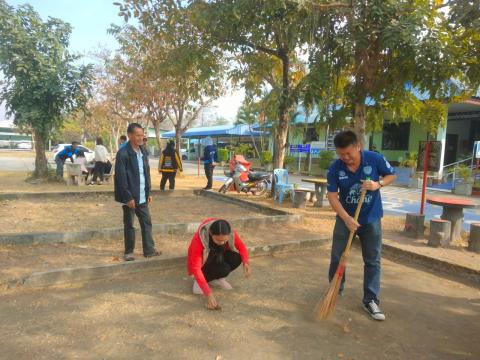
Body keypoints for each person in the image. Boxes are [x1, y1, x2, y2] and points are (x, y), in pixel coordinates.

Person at [326, 130, 396, 321]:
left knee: (372, 260)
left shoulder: (374, 159)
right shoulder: (335, 168)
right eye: (341, 154)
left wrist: (377, 184)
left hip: (371, 218)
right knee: (337, 257)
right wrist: (346, 218)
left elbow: (392, 175)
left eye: (349, 153)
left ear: (358, 146)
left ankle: (371, 300)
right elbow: (332, 196)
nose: (345, 158)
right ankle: (335, 289)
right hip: (345, 219)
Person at [114, 123, 160, 261]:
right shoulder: (123, 153)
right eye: (138, 135)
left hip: (142, 195)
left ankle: (149, 250)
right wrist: (128, 197)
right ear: (130, 135)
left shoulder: (143, 151)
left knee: (147, 223)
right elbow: (121, 178)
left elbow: (146, 173)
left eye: (142, 135)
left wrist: (148, 192)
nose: (141, 138)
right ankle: (129, 252)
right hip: (130, 197)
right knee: (129, 224)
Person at [187, 218, 251, 310]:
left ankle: (214, 279)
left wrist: (246, 262)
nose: (222, 243)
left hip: (216, 257)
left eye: (224, 240)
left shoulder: (230, 232)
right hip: (203, 264)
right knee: (224, 268)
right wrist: (208, 293)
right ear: (211, 233)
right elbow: (196, 268)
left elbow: (242, 247)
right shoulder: (200, 238)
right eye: (218, 240)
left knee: (236, 258)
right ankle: (199, 282)